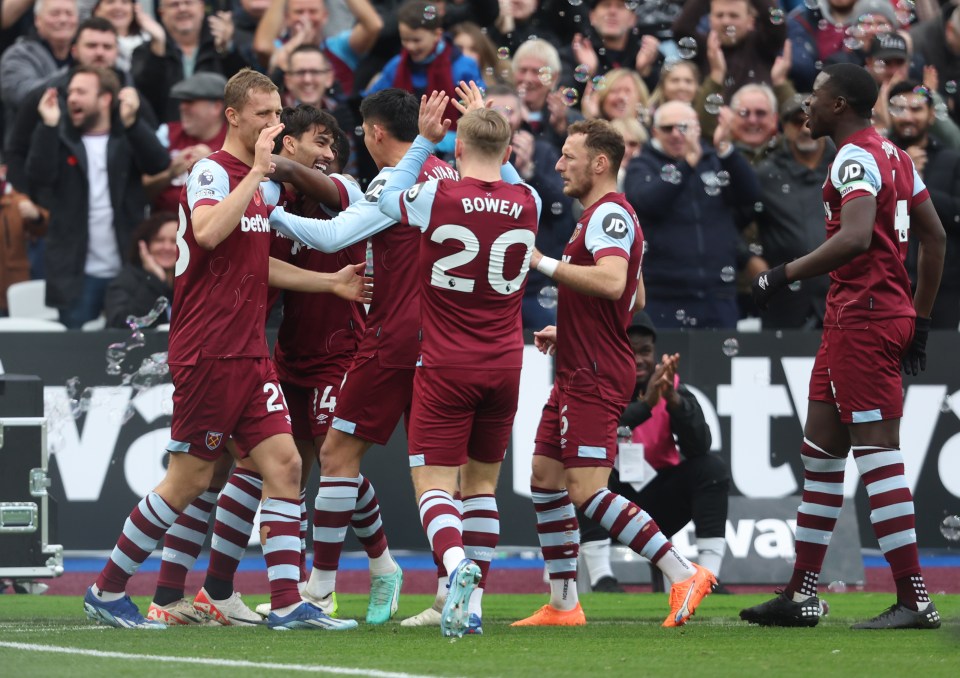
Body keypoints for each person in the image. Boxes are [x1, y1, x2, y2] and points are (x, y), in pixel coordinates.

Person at [82, 68, 371, 631]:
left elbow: (254, 261)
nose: (274, 124)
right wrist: (258, 174)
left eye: (278, 114)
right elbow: (210, 231)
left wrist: (329, 282)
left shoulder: (254, 184)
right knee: (189, 480)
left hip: (248, 349)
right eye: (264, 114)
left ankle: (287, 603)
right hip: (210, 350)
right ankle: (107, 587)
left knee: (285, 465)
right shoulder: (212, 173)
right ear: (233, 116)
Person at [743, 63, 946, 630]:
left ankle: (915, 599)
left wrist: (780, 275)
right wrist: (921, 319)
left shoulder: (853, 156)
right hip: (860, 318)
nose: (805, 106)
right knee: (822, 454)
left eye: (814, 96)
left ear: (838, 106)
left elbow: (856, 238)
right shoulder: (896, 155)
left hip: (865, 319)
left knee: (878, 457)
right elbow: (935, 236)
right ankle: (802, 593)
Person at [265, 87, 457, 629]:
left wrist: (266, 207)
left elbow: (331, 236)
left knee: (337, 457)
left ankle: (322, 589)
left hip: (389, 338)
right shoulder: (445, 173)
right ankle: (450, 585)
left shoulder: (386, 184)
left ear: (373, 133)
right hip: (446, 341)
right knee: (443, 473)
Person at [513, 118, 716, 629]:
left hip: (596, 371)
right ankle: (563, 605)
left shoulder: (609, 216)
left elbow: (611, 280)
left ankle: (682, 571)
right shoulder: (605, 217)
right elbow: (635, 296)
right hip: (581, 361)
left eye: (568, 155)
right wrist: (572, 327)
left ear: (599, 163)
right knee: (545, 479)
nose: (558, 164)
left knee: (586, 489)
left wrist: (540, 261)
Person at [377, 85, 541, 637]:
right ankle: (471, 607)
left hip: (446, 364)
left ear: (458, 147)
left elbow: (386, 197)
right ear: (509, 147)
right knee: (482, 488)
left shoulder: (437, 197)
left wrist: (425, 141)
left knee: (434, 486)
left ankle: (455, 565)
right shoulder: (530, 203)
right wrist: (486, 124)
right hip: (505, 365)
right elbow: (510, 180)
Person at [577, 311, 730, 593]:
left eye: (645, 351)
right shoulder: (596, 387)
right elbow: (599, 429)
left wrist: (672, 401)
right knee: (583, 472)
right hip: (611, 502)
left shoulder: (671, 387)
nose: (638, 360)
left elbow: (699, 446)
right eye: (629, 350)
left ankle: (708, 579)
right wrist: (647, 404)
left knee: (712, 469)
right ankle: (602, 579)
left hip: (659, 498)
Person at [25, 65, 170, 328]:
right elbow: (38, 178)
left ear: (105, 99)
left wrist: (133, 123)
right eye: (70, 92)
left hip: (127, 269)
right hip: (76, 275)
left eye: (81, 92)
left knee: (129, 346)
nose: (71, 98)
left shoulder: (126, 136)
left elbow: (159, 163)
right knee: (76, 356)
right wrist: (47, 125)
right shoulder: (60, 136)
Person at [624, 100, 762, 329]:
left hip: (717, 294)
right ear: (655, 131)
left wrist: (726, 149)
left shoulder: (716, 161)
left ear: (697, 128)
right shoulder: (641, 164)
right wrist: (688, 163)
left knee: (719, 365)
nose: (677, 134)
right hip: (663, 295)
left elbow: (751, 194)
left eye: (685, 127)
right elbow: (648, 202)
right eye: (668, 128)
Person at [486, 84, 576, 329]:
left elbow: (561, 206)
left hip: (536, 285)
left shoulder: (544, 151)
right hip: (488, 283)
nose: (503, 118)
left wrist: (529, 172)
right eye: (495, 111)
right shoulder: (472, 154)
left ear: (522, 116)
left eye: (509, 111)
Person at [754, 94, 834, 329]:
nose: (804, 127)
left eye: (810, 119)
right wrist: (755, 265)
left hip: (842, 296)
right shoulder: (765, 175)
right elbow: (733, 226)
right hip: (786, 300)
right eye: (795, 121)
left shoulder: (843, 166)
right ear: (783, 126)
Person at [365, 0, 484, 154]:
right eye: (405, 39)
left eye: (416, 40)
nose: (410, 46)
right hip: (405, 151)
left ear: (437, 34)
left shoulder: (462, 67)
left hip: (454, 151)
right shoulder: (396, 66)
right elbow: (372, 108)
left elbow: (477, 112)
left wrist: (444, 141)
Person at [886, 80, 960, 329]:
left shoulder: (952, 161)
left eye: (916, 109)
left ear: (931, 115)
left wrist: (917, 185)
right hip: (886, 283)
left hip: (943, 288)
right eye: (899, 108)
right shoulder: (874, 160)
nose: (907, 116)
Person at [131, 0, 250, 123]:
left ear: (202, 8)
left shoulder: (224, 45)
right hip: (166, 136)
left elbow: (245, 92)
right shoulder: (145, 51)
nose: (182, 9)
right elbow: (144, 101)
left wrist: (227, 51)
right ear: (162, 12)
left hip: (219, 136)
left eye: (188, 3)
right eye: (174, 5)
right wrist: (158, 52)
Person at [252, 0, 382, 95]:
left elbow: (373, 25)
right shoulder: (281, 48)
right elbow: (262, 47)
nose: (306, 18)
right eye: (299, 12)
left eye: (313, 12)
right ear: (286, 17)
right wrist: (297, 42)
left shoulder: (339, 46)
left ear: (325, 16)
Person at [144, 71, 228, 212]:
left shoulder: (235, 139)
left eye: (190, 101)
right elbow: (141, 188)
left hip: (214, 226)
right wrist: (170, 173)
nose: (182, 107)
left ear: (216, 107)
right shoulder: (166, 133)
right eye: (181, 101)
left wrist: (214, 164)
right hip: (164, 225)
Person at [673, 0, 787, 101]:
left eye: (734, 16)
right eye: (719, 15)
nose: (726, 22)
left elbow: (776, 24)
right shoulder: (704, 46)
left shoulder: (762, 44)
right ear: (710, 20)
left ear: (750, 21)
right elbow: (681, 30)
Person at [0, 0, 79, 141]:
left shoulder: (85, 53)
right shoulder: (18, 55)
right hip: (29, 151)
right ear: (37, 20)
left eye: (69, 14)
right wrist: (75, 72)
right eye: (55, 13)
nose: (63, 19)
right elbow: (25, 96)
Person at [102, 211, 176, 329]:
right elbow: (119, 324)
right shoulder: (125, 280)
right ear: (145, 245)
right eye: (159, 240)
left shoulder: (192, 281)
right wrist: (155, 279)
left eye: (174, 241)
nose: (167, 247)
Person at [0, 150, 48, 312]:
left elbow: (44, 229)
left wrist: (37, 216)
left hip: (14, 289)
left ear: (3, 171)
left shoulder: (18, 202)